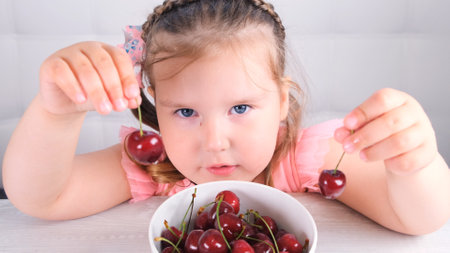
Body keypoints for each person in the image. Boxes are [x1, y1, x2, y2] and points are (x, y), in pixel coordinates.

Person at [2, 0, 449, 236]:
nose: (214, 141)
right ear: (155, 107)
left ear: (281, 102)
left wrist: (416, 165)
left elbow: (420, 220)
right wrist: (56, 113)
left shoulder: (310, 158)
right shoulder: (156, 166)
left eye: (240, 108)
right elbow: (43, 199)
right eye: (185, 112)